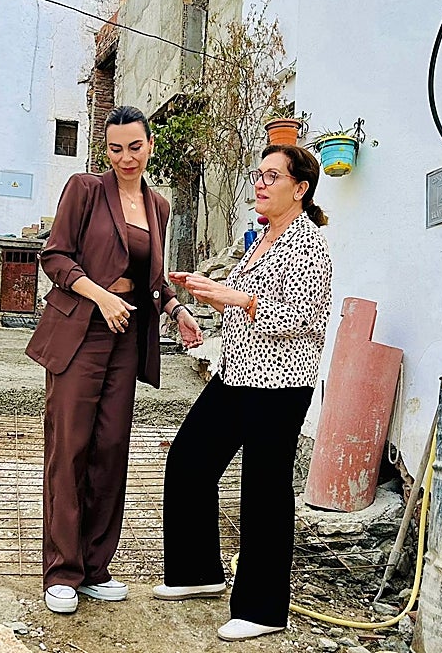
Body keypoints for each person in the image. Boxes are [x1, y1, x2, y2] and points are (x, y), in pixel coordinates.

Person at [26, 105, 203, 615]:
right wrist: (99, 296)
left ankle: (95, 567)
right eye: (115, 147)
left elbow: (153, 279)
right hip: (82, 331)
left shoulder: (159, 207)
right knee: (70, 447)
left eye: (135, 146)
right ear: (105, 150)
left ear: (149, 147)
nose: (126, 157)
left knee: (111, 450)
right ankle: (62, 570)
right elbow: (55, 256)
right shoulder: (84, 190)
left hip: (128, 337)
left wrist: (176, 310)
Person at [156, 144, 333, 642]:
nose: (260, 182)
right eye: (259, 174)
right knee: (189, 460)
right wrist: (210, 294)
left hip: (279, 382)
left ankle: (264, 608)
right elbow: (248, 304)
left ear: (299, 189)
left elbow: (302, 318)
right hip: (237, 371)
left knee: (264, 487)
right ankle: (198, 574)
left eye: (272, 176)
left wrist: (237, 297)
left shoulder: (308, 245)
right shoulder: (262, 239)